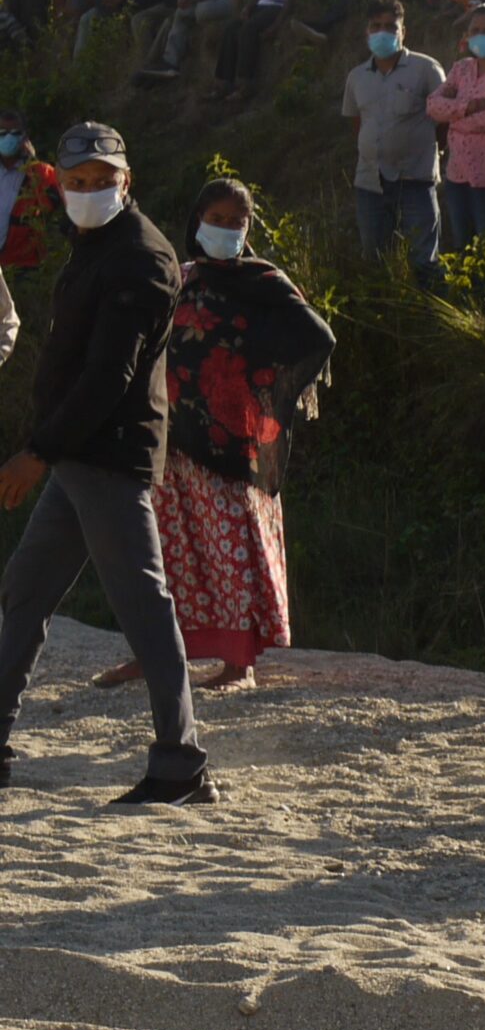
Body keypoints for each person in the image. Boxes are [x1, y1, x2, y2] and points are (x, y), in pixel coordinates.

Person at [0, 123, 212, 804]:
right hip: (76, 457)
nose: (90, 191)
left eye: (104, 180)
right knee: (25, 593)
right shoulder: (94, 245)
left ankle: (180, 766)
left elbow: (107, 379)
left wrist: (37, 452)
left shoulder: (141, 259)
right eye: (79, 181)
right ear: (61, 184)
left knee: (143, 608)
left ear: (129, 182)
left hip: (106, 455)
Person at [97, 181, 334, 694]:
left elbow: (316, 336)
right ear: (196, 219)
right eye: (217, 217)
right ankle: (153, 656)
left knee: (229, 555)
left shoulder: (264, 282)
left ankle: (236, 665)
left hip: (230, 449)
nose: (226, 228)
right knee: (165, 554)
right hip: (170, 444)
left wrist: (256, 374)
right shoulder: (180, 277)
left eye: (236, 221)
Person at [341, 0, 444, 278]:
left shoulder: (427, 70)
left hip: (415, 180)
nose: (383, 32)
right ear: (367, 31)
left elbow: (444, 121)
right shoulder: (357, 77)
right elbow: (357, 123)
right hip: (370, 182)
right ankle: (383, 316)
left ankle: (431, 315)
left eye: (391, 26)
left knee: (425, 260)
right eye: (376, 26)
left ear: (403, 32)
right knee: (374, 259)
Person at [427, 2, 485, 255]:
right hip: (458, 174)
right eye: (475, 29)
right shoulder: (462, 69)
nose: (481, 35)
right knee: (463, 247)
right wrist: (468, 106)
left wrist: (453, 117)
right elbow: (433, 105)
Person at [0, 112, 60, 339]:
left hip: (22, 266)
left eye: (14, 133)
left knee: (19, 326)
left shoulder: (41, 173)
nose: (8, 138)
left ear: (24, 136)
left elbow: (53, 203)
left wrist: (33, 165)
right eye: (2, 133)